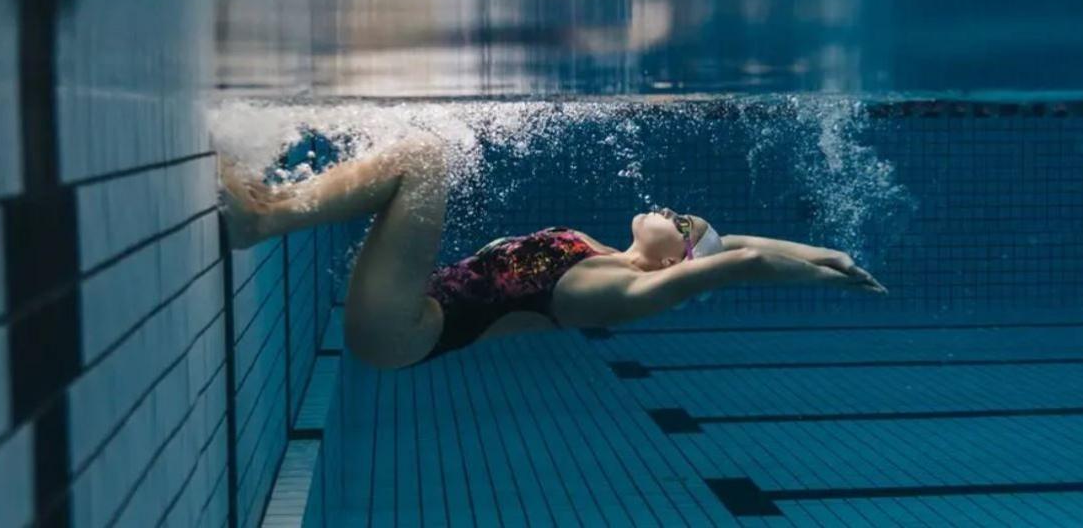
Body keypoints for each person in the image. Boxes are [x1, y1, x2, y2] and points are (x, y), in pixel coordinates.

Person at [220, 134, 886, 369]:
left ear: (672, 262)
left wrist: (826, 282)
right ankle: (272, 205)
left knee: (423, 157)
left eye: (678, 221)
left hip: (403, 330)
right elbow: (733, 242)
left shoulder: (621, 292)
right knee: (417, 158)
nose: (669, 210)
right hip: (410, 307)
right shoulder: (601, 251)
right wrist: (826, 250)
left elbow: (734, 262)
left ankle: (262, 221)